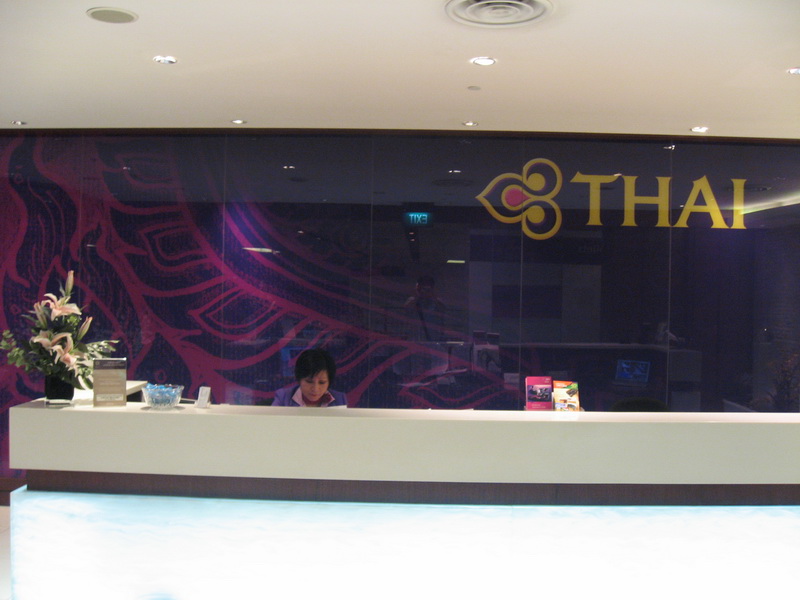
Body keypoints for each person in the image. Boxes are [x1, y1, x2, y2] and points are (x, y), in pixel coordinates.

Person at [272, 348, 347, 407]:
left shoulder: (340, 399)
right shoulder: (283, 397)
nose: (315, 388)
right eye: (309, 381)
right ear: (299, 378)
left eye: (322, 382)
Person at [404, 275, 446, 341]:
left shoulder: (436, 301)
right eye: (423, 287)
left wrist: (432, 295)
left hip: (432, 338)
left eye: (428, 287)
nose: (425, 290)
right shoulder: (412, 300)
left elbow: (442, 309)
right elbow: (407, 308)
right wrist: (418, 295)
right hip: (415, 337)